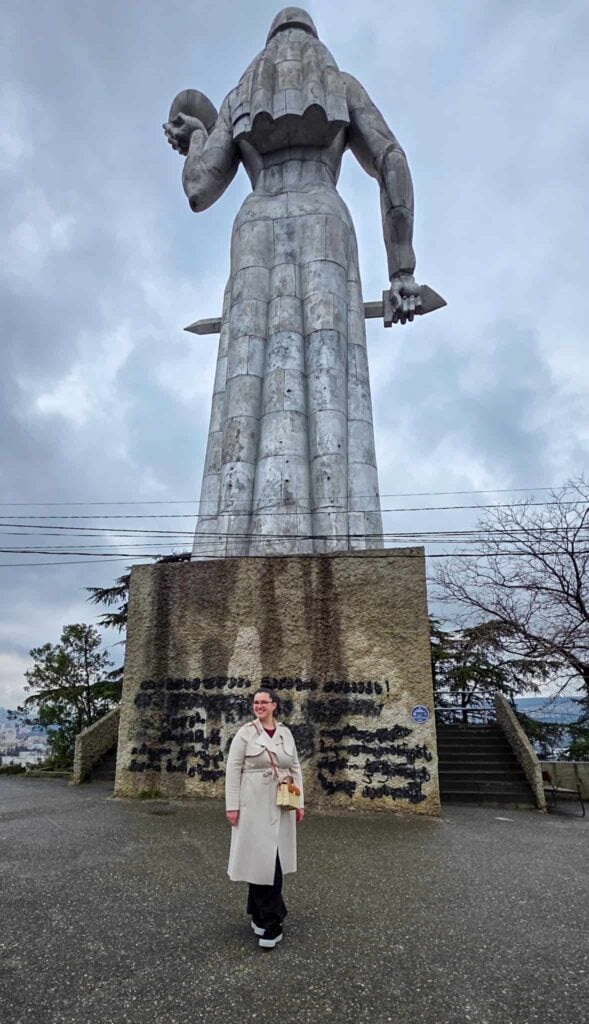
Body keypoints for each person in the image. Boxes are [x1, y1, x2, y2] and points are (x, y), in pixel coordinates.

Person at [163, 7, 422, 559]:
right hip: (324, 217)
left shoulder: (237, 100)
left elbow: (199, 190)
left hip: (255, 222)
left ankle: (224, 551)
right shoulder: (341, 84)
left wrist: (195, 139)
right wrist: (402, 269)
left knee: (244, 383)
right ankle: (344, 550)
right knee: (332, 377)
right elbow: (392, 162)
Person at [225, 688, 304, 948]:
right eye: (255, 702)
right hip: (252, 805)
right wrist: (232, 806)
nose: (259, 706)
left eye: (263, 702)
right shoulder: (245, 733)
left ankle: (263, 915)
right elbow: (233, 770)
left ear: (274, 705)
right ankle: (271, 919)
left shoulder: (285, 733)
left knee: (273, 860)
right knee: (258, 860)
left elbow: (294, 767)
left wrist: (300, 802)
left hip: (281, 803)